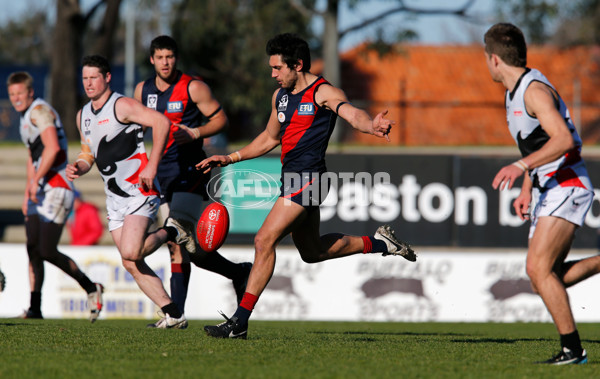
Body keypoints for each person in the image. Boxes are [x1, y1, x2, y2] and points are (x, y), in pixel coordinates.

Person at [197, 33, 417, 339]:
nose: (273, 74)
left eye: (277, 68)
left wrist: (370, 124)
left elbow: (350, 113)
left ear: (297, 64)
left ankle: (240, 321)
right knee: (312, 252)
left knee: (263, 240)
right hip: (292, 179)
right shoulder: (281, 98)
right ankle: (382, 243)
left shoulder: (323, 91)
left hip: (312, 178)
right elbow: (269, 138)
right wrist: (230, 157)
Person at [484, 23, 600, 365]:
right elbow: (539, 144)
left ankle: (573, 350)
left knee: (537, 268)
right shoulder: (512, 93)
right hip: (549, 187)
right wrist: (526, 188)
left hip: (568, 184)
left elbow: (563, 139)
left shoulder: (533, 91)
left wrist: (519, 167)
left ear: (493, 60)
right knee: (544, 277)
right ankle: (572, 349)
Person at [66, 55, 193, 329]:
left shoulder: (121, 105)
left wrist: (152, 166)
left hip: (140, 190)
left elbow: (161, 122)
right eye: (85, 78)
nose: (89, 83)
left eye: (94, 77)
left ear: (107, 78)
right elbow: (89, 152)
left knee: (132, 252)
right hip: (115, 199)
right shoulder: (83, 115)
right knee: (130, 262)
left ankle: (173, 231)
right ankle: (173, 313)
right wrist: (79, 165)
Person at [133, 35, 252, 318]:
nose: (165, 62)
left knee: (175, 229)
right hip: (160, 172)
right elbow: (135, 128)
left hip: (192, 170)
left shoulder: (193, 87)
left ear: (176, 58)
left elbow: (221, 119)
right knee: (185, 248)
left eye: (170, 57)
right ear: (152, 59)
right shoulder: (142, 90)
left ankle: (174, 314)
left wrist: (196, 132)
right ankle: (237, 272)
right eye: (160, 57)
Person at [7, 71, 104, 321]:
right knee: (33, 249)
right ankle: (35, 308)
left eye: (20, 93)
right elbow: (33, 155)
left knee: (47, 250)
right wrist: (29, 189)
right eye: (12, 94)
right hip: (40, 188)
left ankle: (91, 287)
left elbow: (53, 147)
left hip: (57, 186)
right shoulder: (24, 117)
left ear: (30, 92)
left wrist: (37, 179)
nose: (16, 98)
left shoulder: (40, 111)